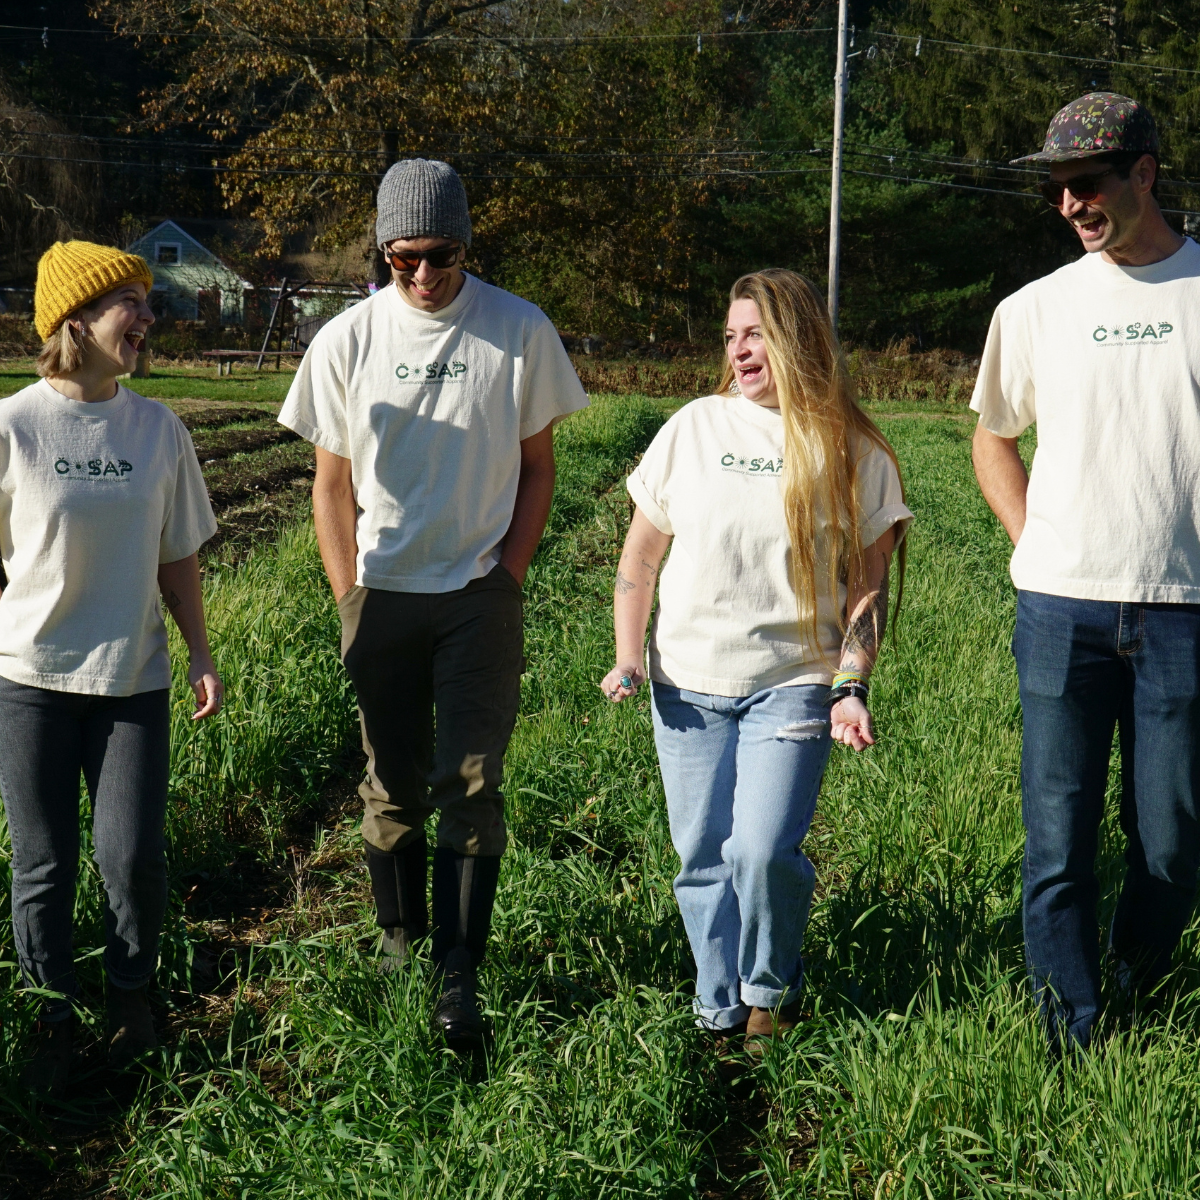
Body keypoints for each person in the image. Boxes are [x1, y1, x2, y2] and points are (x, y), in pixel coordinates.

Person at [279, 159, 589, 1050]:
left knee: (472, 781)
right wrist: (349, 595)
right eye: (402, 258)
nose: (421, 275)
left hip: (475, 596)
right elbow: (329, 486)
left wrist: (510, 577)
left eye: (440, 255)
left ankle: (461, 972)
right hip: (383, 594)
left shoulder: (517, 331)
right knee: (392, 779)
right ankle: (398, 945)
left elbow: (538, 468)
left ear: (467, 242)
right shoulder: (347, 339)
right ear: (381, 249)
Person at [600, 269, 911, 1044]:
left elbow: (867, 588)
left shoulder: (853, 449)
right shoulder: (693, 428)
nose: (740, 351)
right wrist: (628, 654)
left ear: (797, 340)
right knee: (701, 855)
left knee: (763, 849)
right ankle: (717, 1008)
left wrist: (851, 683)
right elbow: (640, 555)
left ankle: (769, 990)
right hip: (685, 680)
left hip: (794, 680)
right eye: (732, 336)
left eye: (756, 335)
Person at [972, 92, 1200, 1052]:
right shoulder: (1034, 310)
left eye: (1089, 184)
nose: (1071, 205)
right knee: (1057, 841)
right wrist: (1032, 547)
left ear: (1145, 173)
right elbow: (992, 439)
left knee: (1175, 840)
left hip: (1186, 609)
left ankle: (1133, 977)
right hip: (1063, 605)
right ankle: (1071, 1026)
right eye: (1059, 190)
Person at [3, 241, 222, 1095]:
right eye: (129, 300)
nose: (147, 316)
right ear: (75, 321)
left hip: (133, 679)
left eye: (146, 298)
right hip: (29, 680)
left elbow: (177, 556)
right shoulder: (13, 426)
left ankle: (132, 998)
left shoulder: (158, 428)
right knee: (43, 862)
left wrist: (200, 651)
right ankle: (49, 1014)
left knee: (129, 854)